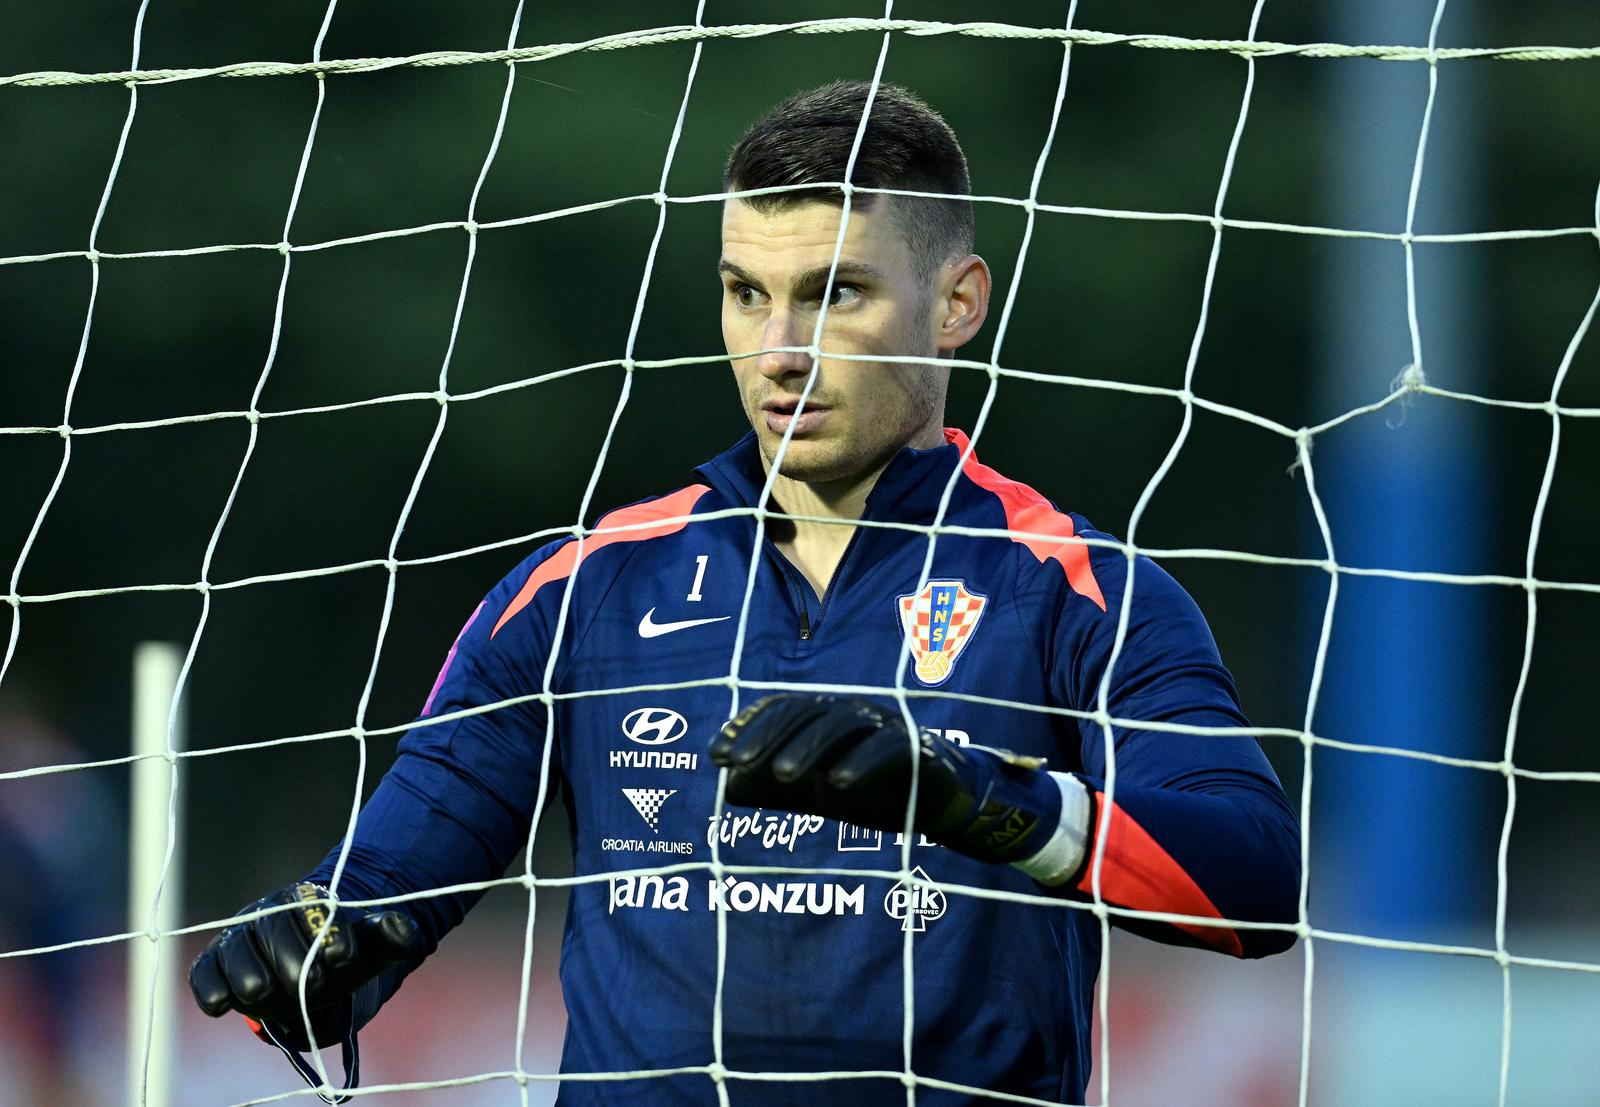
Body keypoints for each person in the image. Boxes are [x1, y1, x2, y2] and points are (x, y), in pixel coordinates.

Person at [189, 80, 1301, 1105]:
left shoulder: (1079, 591)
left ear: (957, 303)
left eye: (835, 295)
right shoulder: (582, 588)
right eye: (745, 293)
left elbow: (1252, 886)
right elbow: (383, 887)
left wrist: (968, 797)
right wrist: (301, 958)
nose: (780, 351)